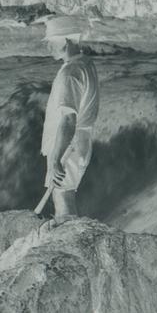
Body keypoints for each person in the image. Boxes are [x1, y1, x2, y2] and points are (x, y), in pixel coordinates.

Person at [39, 14, 99, 228]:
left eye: (50, 42)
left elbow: (68, 119)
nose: (48, 48)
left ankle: (68, 244)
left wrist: (55, 159)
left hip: (69, 145)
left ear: (64, 41)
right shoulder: (85, 64)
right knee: (65, 195)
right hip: (80, 141)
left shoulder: (70, 74)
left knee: (63, 199)